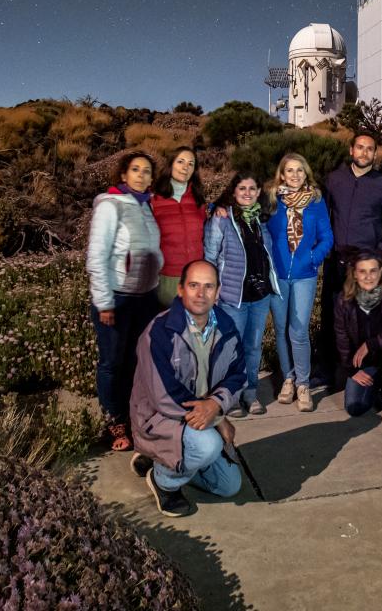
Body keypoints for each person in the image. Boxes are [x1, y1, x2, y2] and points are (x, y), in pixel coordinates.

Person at [129, 260, 244, 517]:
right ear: (180, 289)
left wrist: (217, 404)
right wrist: (216, 418)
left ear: (218, 291)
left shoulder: (227, 328)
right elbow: (164, 397)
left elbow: (238, 375)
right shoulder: (158, 333)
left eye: (208, 286)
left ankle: (163, 460)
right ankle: (164, 483)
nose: (201, 294)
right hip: (159, 418)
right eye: (193, 285)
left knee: (230, 486)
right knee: (208, 446)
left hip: (201, 415)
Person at [86, 150, 164, 452]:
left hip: (145, 299)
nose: (142, 175)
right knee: (112, 362)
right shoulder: (110, 206)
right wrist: (104, 301)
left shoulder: (148, 206)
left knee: (136, 360)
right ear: (123, 174)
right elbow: (97, 255)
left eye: (147, 171)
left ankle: (133, 416)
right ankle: (114, 421)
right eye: (136, 169)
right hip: (116, 298)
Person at [319, 133, 382, 377]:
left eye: (369, 149)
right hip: (337, 261)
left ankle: (370, 374)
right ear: (351, 150)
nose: (364, 153)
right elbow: (322, 216)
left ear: (375, 154)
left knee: (366, 321)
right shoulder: (334, 180)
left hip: (366, 266)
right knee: (331, 317)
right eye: (360, 147)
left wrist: (378, 255)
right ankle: (330, 370)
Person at [204, 171, 279, 417]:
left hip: (259, 296)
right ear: (233, 192)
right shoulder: (222, 218)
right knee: (229, 348)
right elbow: (210, 255)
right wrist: (213, 287)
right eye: (242, 188)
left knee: (253, 347)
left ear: (258, 193)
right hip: (232, 296)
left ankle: (250, 393)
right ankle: (230, 397)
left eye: (252, 189)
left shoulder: (261, 219)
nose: (247, 193)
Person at [265, 153, 334, 413]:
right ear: (282, 174)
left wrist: (313, 258)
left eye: (300, 171)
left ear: (306, 174)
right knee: (282, 328)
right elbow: (247, 213)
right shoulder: (272, 200)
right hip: (279, 275)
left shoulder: (316, 201)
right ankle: (289, 378)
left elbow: (327, 237)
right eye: (289, 171)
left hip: (305, 275)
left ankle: (303, 384)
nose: (295, 175)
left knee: (299, 329)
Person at [333, 249, 382, 437]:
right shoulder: (344, 300)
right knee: (355, 407)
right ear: (354, 273)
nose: (368, 277)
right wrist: (352, 371)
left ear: (380, 272)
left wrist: (372, 343)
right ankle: (380, 382)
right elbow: (341, 337)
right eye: (362, 271)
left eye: (373, 271)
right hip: (366, 362)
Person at [150, 146, 208, 308]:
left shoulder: (198, 200)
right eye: (180, 161)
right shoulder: (154, 200)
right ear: (171, 164)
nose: (185, 167)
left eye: (191, 164)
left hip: (196, 277)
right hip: (167, 278)